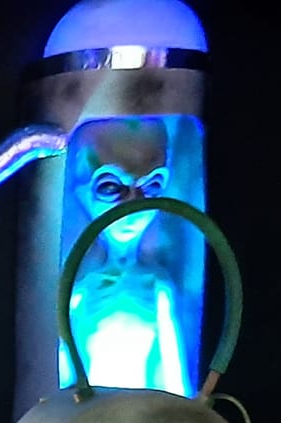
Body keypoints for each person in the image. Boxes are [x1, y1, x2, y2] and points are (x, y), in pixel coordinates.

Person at [63, 117, 189, 396]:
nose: (133, 204)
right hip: (88, 413)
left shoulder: (158, 287)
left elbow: (174, 370)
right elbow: (61, 362)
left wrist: (184, 412)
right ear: (79, 188)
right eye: (111, 187)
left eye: (151, 186)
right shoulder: (80, 288)